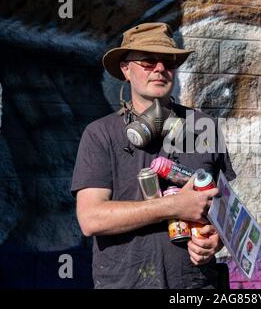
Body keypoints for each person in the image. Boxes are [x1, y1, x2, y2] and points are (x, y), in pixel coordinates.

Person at [71, 22, 236, 289]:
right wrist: (172, 207)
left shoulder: (203, 127)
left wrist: (215, 237)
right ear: (126, 69)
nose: (160, 69)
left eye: (168, 61)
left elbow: (226, 210)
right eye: (148, 61)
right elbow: (91, 219)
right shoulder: (100, 133)